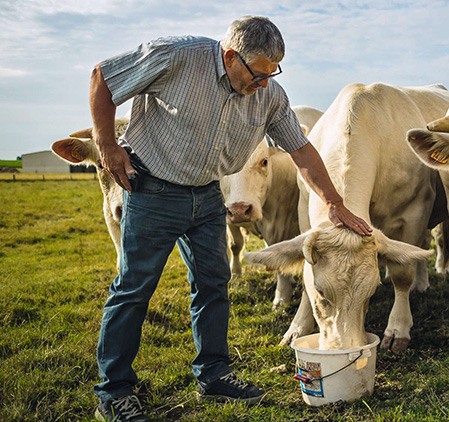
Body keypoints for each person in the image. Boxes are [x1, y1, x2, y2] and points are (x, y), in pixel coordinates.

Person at [90, 16, 372, 422]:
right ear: (229, 56)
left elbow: (302, 150)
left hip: (207, 194)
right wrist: (106, 144)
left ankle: (214, 372)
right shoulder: (176, 56)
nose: (263, 85)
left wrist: (333, 202)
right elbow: (104, 77)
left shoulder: (269, 95)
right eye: (257, 75)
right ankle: (114, 392)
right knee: (134, 288)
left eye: (272, 74)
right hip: (152, 189)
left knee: (213, 283)